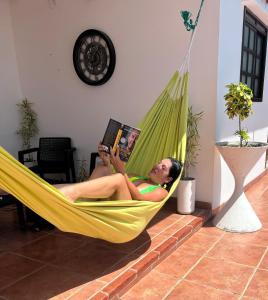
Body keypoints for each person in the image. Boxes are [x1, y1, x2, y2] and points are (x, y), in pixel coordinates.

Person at [57, 144, 182, 203]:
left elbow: (140, 198)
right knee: (103, 168)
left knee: (119, 177)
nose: (157, 166)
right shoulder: (135, 175)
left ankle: (73, 193)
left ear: (168, 179)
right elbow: (110, 182)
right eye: (159, 162)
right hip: (106, 198)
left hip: (125, 211)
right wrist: (107, 161)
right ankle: (70, 193)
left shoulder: (161, 192)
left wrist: (122, 172)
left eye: (163, 167)